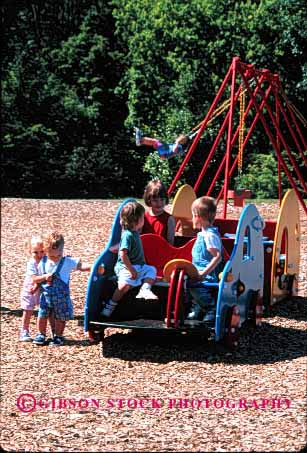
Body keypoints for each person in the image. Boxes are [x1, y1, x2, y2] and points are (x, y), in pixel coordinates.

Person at [32, 232, 91, 346]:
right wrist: (41, 280)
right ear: (45, 251)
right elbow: (36, 278)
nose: (55, 258)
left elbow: (80, 266)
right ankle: (41, 334)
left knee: (60, 318)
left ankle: (58, 336)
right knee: (42, 315)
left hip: (61, 298)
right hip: (46, 296)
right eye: (52, 256)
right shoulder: (43, 262)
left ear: (62, 250)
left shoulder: (66, 262)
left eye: (58, 255)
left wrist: (93, 267)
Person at [101, 201, 158, 318]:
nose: (144, 219)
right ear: (136, 220)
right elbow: (123, 254)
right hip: (125, 267)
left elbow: (123, 246)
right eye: (143, 217)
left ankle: (145, 289)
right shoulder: (128, 235)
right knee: (123, 286)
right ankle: (111, 305)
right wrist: (131, 270)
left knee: (151, 270)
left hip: (138, 266)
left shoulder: (134, 232)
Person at [187, 196, 222, 323]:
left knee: (194, 285)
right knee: (185, 282)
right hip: (197, 270)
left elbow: (217, 257)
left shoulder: (209, 235)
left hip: (206, 274)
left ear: (198, 216)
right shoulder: (204, 233)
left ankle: (210, 308)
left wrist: (203, 273)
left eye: (192, 215)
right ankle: (198, 306)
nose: (192, 219)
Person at [19, 236, 45, 342]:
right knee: (28, 310)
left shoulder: (46, 261)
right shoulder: (31, 263)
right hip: (30, 289)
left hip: (41, 289)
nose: (39, 255)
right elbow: (34, 278)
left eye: (42, 251)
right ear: (30, 252)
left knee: (44, 310)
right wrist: (36, 285)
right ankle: (24, 330)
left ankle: (43, 332)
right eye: (35, 252)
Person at [142, 178, 176, 245]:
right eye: (155, 200)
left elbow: (170, 242)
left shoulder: (169, 219)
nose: (159, 203)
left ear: (166, 199)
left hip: (162, 253)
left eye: (162, 199)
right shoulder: (143, 217)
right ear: (149, 200)